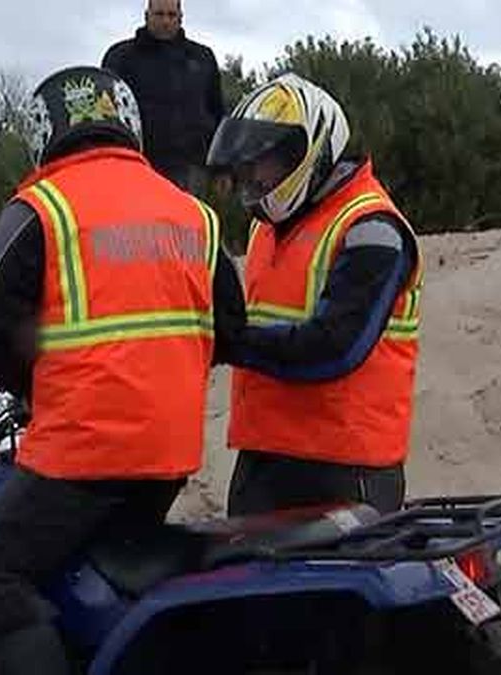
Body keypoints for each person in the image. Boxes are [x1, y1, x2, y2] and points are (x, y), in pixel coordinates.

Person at [0, 65, 245, 675]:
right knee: (97, 565)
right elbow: (229, 330)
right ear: (129, 124)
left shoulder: (43, 207)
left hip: (81, 453)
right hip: (167, 452)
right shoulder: (193, 213)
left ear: (43, 133)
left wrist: (31, 387)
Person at [205, 72, 424, 516]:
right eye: (246, 167)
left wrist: (228, 341)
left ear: (308, 151)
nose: (255, 179)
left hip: (345, 469)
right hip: (264, 459)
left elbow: (334, 348)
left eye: (264, 163)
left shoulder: (373, 229)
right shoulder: (266, 229)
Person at [102, 0, 225, 196]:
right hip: (139, 167)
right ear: (146, 16)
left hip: (191, 169)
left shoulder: (202, 58)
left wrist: (222, 169)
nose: (166, 21)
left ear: (180, 18)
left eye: (171, 15)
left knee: (190, 225)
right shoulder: (120, 57)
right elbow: (106, 116)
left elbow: (218, 113)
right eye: (159, 14)